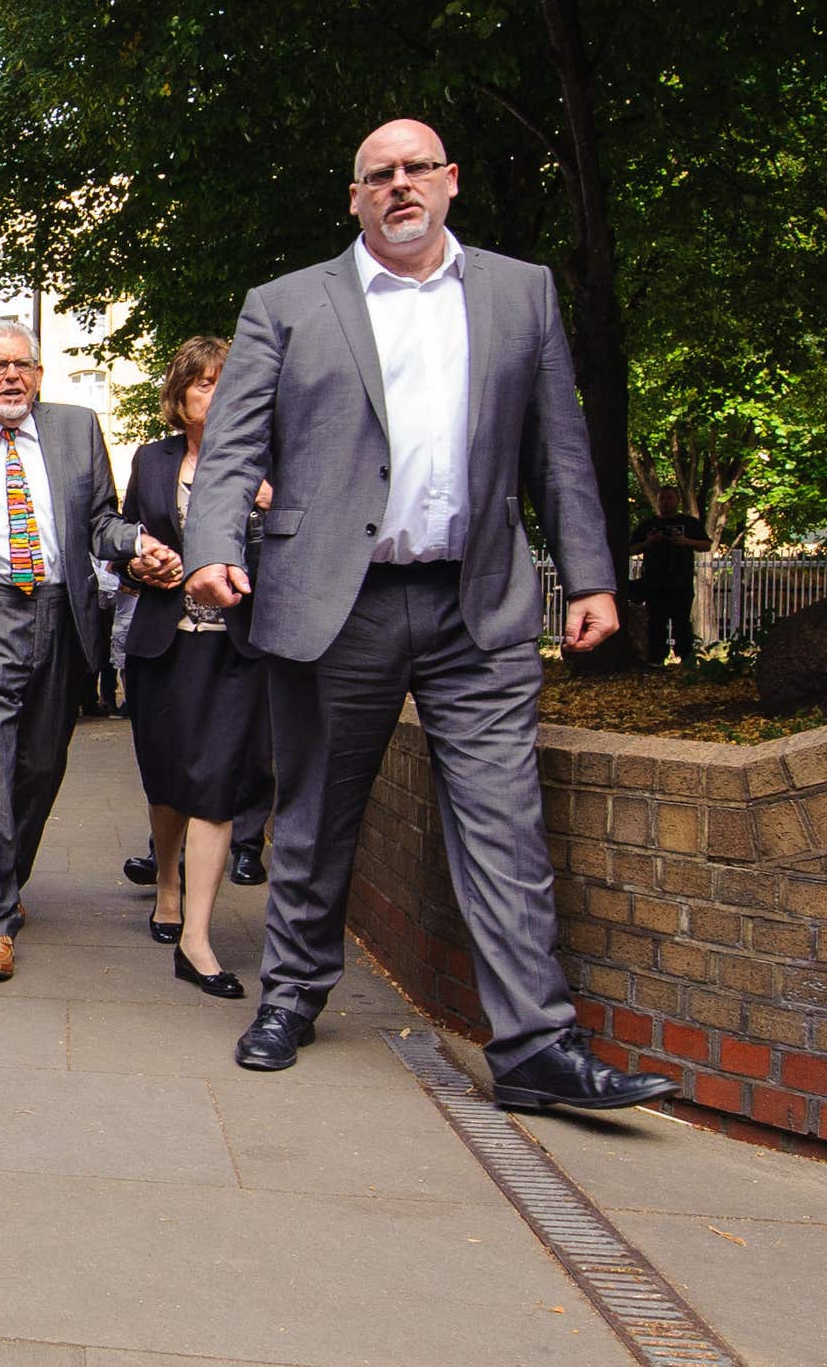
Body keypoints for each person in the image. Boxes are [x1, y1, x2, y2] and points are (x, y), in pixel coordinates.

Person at [185, 119, 667, 1110]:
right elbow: (232, 447)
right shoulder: (286, 305)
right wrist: (213, 551)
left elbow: (559, 445)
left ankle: (535, 1046)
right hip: (337, 602)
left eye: (416, 170)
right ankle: (291, 995)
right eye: (378, 175)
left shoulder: (518, 292)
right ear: (356, 196)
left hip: (476, 601)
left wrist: (590, 575)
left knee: (505, 823)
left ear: (450, 182)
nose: (399, 186)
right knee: (317, 815)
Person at [0, 320, 151, 982]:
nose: (12, 376)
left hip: (62, 614)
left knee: (40, 769)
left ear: (40, 375)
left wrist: (139, 542)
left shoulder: (76, 429)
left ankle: (7, 876)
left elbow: (102, 519)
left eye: (23, 364)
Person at [115, 336, 272, 1000]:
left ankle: (197, 940)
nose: (214, 393)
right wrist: (138, 560)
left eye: (225, 381)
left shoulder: (269, 463)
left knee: (215, 784)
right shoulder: (152, 461)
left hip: (236, 646)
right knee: (167, 778)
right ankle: (168, 883)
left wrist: (272, 508)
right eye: (202, 383)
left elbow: (305, 553)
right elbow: (120, 536)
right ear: (180, 396)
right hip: (162, 643)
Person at [631, 486, 709, 666]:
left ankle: (686, 658)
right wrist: (648, 542)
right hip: (654, 582)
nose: (665, 502)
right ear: (657, 501)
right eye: (662, 499)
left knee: (682, 621)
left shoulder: (689, 523)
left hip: (681, 582)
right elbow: (630, 549)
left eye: (669, 498)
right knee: (656, 621)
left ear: (677, 500)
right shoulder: (648, 525)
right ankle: (656, 658)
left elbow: (706, 545)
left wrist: (686, 542)